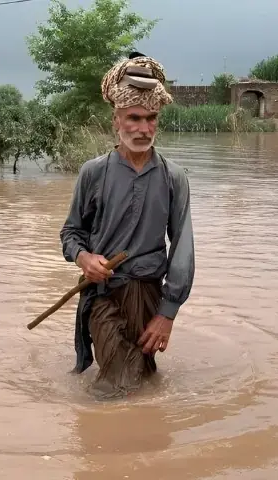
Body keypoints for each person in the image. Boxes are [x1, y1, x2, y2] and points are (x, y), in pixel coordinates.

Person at [59, 52, 195, 399]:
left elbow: (182, 251)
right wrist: (85, 259)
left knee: (144, 376)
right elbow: (71, 233)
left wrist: (167, 314)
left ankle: (143, 449)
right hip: (103, 293)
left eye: (151, 118)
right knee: (116, 382)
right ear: (115, 121)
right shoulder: (94, 173)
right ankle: (98, 447)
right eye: (134, 118)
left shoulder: (173, 178)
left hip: (150, 294)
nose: (143, 128)